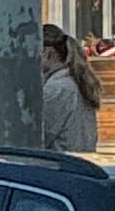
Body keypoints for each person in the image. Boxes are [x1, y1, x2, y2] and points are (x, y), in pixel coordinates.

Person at [39, 22, 101, 153]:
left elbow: (39, 136)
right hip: (79, 162)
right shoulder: (71, 81)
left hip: (62, 165)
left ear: (46, 53)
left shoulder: (58, 89)